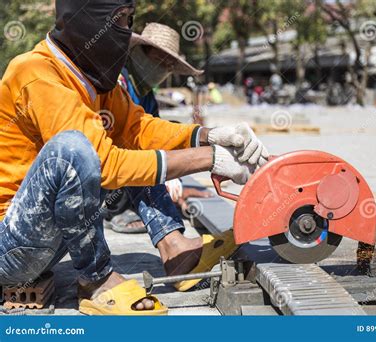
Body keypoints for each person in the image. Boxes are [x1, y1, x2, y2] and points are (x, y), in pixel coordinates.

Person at [0, 0, 268, 315]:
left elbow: (138, 129)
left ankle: (175, 247)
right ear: (88, 19)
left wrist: (209, 136)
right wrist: (208, 158)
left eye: (130, 20)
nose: (126, 31)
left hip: (47, 240)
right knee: (73, 149)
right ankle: (97, 278)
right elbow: (104, 165)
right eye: (120, 19)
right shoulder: (35, 72)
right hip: (10, 247)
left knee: (122, 143)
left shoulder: (94, 79)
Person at [105, 23, 211, 234]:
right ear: (139, 53)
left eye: (169, 63)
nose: (164, 67)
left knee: (174, 131)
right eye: (159, 59)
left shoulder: (147, 95)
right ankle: (116, 210)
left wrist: (175, 179)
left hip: (136, 171)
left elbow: (160, 138)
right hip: (111, 176)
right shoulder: (118, 85)